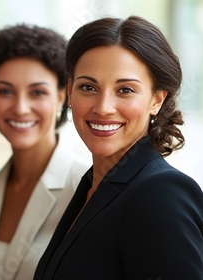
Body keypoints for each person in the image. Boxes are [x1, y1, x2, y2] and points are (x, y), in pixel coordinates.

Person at [34, 16, 203, 279]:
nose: (103, 107)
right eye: (88, 87)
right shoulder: (92, 185)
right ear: (70, 92)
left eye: (125, 90)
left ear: (156, 100)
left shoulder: (161, 193)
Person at [0, 24, 90, 280]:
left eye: (37, 92)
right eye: (5, 91)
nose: (21, 108)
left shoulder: (87, 188)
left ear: (62, 96)